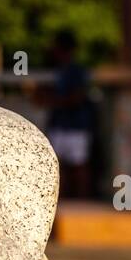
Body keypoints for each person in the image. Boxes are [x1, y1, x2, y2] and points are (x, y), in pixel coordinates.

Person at [43, 29, 92, 199]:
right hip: (60, 123)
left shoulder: (76, 71)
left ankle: (81, 200)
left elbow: (77, 97)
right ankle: (62, 199)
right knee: (58, 165)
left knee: (78, 165)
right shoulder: (55, 70)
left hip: (75, 124)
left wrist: (54, 101)